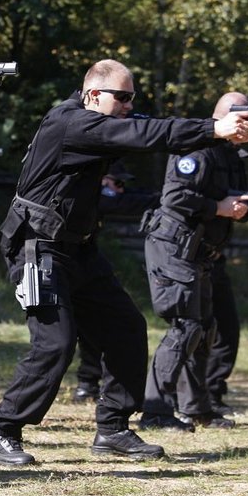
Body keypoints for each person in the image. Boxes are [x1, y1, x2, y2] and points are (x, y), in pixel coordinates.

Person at [0, 59, 248, 466]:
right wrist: (213, 128)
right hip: (38, 247)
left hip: (79, 249)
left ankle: (113, 428)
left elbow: (152, 127)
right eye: (122, 97)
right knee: (55, 342)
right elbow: (143, 132)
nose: (129, 105)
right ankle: (3, 431)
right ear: (94, 94)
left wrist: (214, 133)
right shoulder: (72, 123)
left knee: (127, 328)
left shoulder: (99, 120)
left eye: (132, 98)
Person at [139, 92, 248, 431]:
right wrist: (218, 208)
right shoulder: (198, 149)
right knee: (185, 327)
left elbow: (241, 207)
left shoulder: (230, 156)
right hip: (175, 248)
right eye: (247, 120)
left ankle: (197, 408)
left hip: (200, 254)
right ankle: (155, 410)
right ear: (227, 117)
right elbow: (175, 197)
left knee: (204, 329)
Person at [72, 164, 159, 403]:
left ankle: (88, 384)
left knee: (92, 325)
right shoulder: (90, 192)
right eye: (116, 183)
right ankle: (87, 383)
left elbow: (127, 199)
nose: (120, 189)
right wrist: (164, 200)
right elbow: (120, 203)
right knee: (71, 332)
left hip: (84, 262)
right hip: (65, 264)